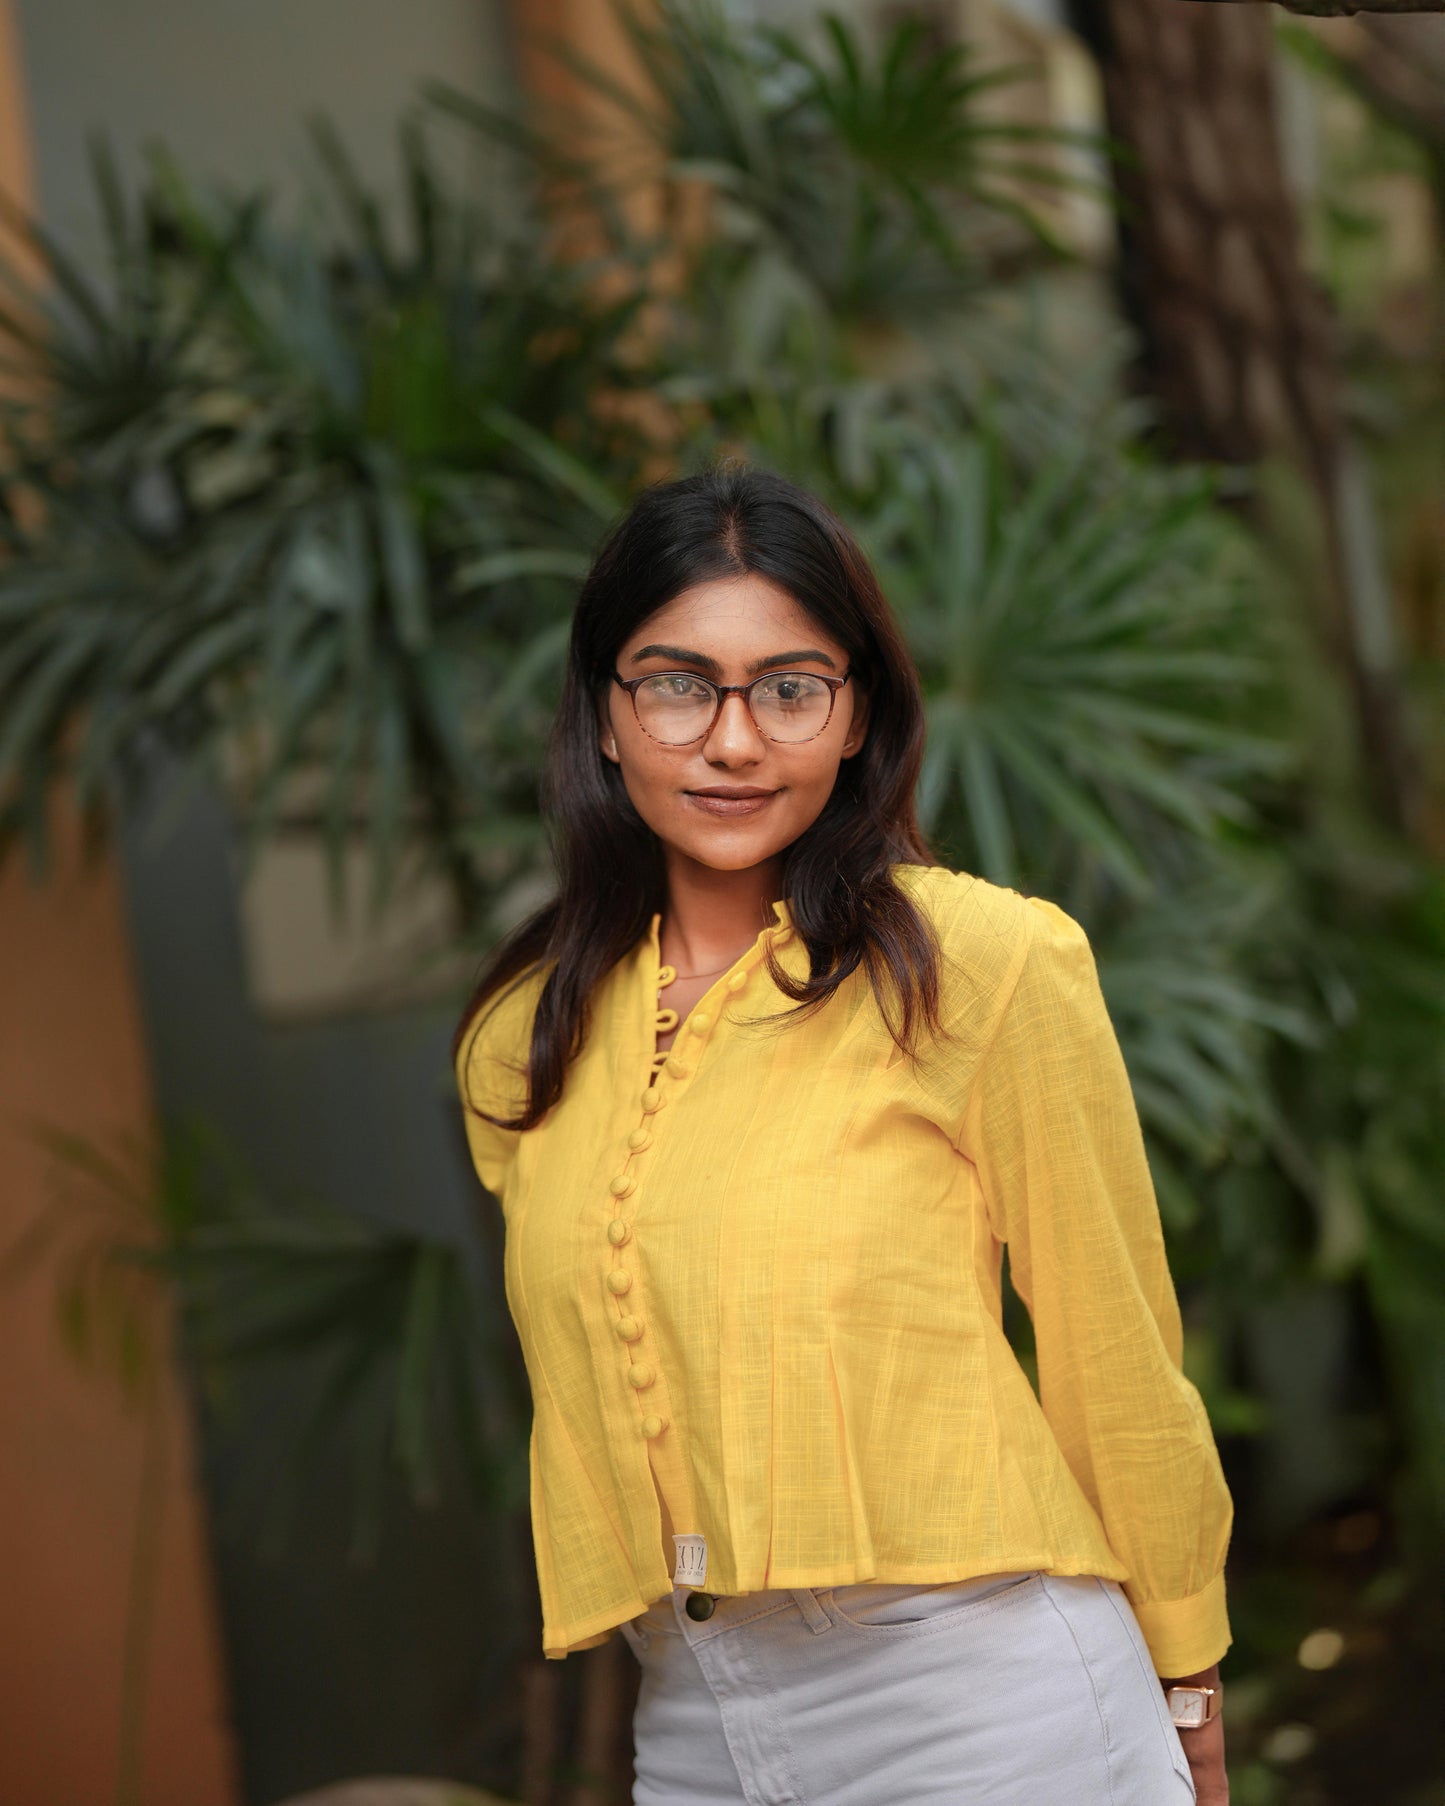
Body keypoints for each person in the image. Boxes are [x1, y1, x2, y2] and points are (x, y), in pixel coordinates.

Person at [453, 465, 1232, 1804]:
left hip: (981, 1698)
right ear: (604, 716)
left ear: (856, 713)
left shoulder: (981, 965)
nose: (733, 740)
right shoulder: (526, 1034)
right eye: (677, 684)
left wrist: (1189, 1684)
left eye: (790, 688)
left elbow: (1116, 1355)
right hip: (691, 1717)